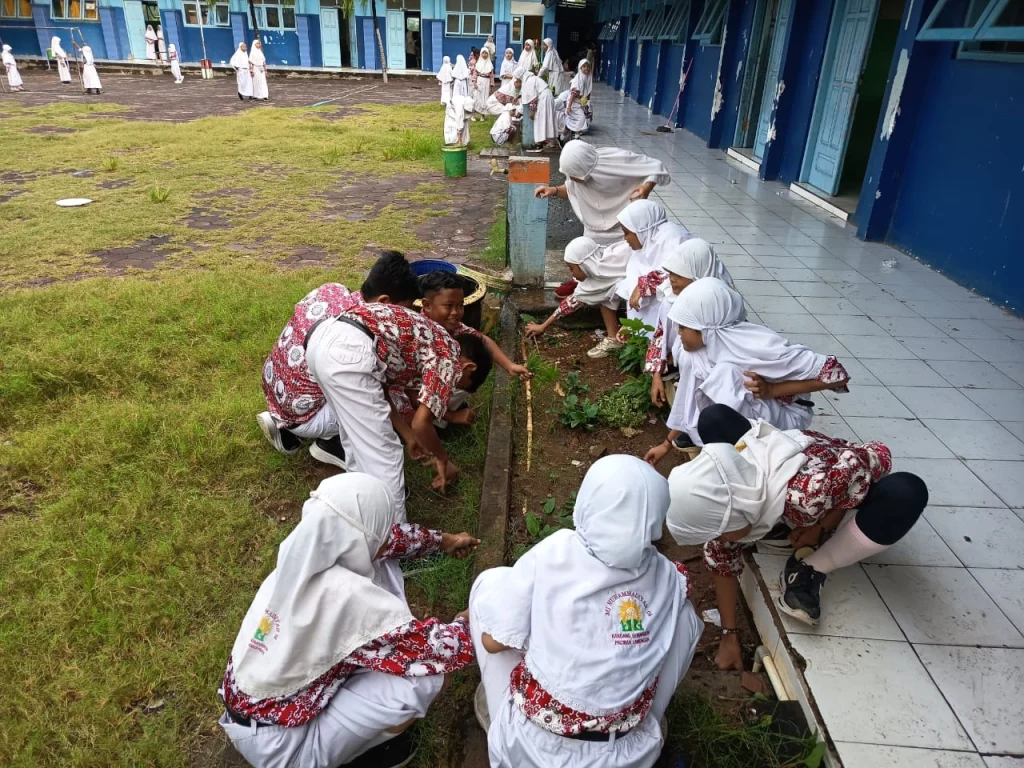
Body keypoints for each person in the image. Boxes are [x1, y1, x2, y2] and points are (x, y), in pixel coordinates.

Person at [219, 472, 480, 768]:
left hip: (255, 711)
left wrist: (444, 541)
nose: (386, 541)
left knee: (378, 561)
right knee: (422, 681)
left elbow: (386, 540)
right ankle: (359, 754)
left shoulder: (301, 554)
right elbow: (438, 650)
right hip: (284, 748)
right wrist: (470, 619)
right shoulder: (345, 596)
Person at [469, 455, 704, 768]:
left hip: (531, 752)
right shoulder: (668, 575)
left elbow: (491, 643)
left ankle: (497, 709)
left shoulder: (555, 552)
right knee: (685, 616)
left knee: (490, 582)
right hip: (627, 756)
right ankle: (650, 720)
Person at [666, 405, 928, 670]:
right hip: (780, 468)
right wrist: (729, 635)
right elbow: (722, 561)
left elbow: (879, 455)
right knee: (714, 417)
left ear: (735, 514)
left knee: (907, 492)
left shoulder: (807, 497)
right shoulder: (735, 482)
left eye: (720, 531)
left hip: (828, 467)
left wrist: (823, 526)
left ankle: (812, 568)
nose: (719, 538)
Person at [304, 301, 493, 518]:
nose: (449, 390)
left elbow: (379, 388)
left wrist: (408, 435)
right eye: (460, 385)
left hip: (323, 340)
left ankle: (360, 509)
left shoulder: (432, 339)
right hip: (349, 351)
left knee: (355, 442)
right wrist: (442, 457)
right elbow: (422, 422)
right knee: (387, 454)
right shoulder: (448, 359)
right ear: (469, 367)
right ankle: (394, 538)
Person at [644, 277, 850, 457]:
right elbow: (687, 400)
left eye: (683, 327)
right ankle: (723, 445)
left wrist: (773, 390)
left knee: (726, 375)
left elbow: (836, 374)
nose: (678, 333)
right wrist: (665, 445)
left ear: (705, 329)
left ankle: (740, 451)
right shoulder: (698, 352)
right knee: (723, 379)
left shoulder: (757, 345)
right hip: (751, 413)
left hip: (785, 414)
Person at [257, 252, 422, 467]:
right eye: (404, 310)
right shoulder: (360, 337)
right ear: (384, 302)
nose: (405, 318)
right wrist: (412, 431)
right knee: (396, 402)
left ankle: (283, 424)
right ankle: (334, 444)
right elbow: (379, 395)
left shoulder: (333, 289)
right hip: (304, 415)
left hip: (275, 387)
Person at [645, 239, 739, 408]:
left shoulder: (722, 301)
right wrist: (656, 375)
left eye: (679, 275)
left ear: (699, 273)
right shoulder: (670, 302)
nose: (671, 279)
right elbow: (660, 337)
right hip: (685, 362)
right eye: (671, 273)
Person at [535, 141, 670, 246]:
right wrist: (554, 190)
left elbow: (656, 167)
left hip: (622, 232)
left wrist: (646, 187)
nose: (572, 179)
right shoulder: (576, 173)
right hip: (593, 234)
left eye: (575, 176)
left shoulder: (617, 160)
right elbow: (571, 190)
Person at [419, 271, 531, 396]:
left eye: (460, 305)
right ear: (427, 305)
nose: (456, 312)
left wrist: (509, 366)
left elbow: (484, 340)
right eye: (448, 306)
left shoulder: (454, 327)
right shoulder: (420, 332)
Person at [523, 237, 631, 359]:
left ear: (585, 265)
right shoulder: (598, 276)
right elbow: (570, 304)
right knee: (605, 297)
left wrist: (630, 325)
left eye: (572, 268)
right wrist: (543, 326)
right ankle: (613, 338)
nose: (571, 273)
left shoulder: (624, 264)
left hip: (647, 301)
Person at [614, 199, 692, 341]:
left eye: (627, 233)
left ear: (641, 228)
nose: (625, 238)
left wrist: (645, 284)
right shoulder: (644, 247)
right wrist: (631, 325)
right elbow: (635, 293)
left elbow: (682, 278)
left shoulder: (673, 239)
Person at [555, 59, 594, 142]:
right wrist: (569, 107)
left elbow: (587, 94)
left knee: (572, 121)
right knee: (581, 119)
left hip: (579, 103)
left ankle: (561, 138)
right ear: (580, 68)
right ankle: (576, 138)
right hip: (573, 104)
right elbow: (573, 94)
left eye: (588, 67)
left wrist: (587, 105)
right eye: (584, 67)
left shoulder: (587, 78)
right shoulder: (578, 79)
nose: (586, 69)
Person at [518, 72, 558, 150]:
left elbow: (533, 97)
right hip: (548, 96)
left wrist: (532, 111)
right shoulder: (534, 78)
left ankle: (538, 144)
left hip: (543, 99)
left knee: (539, 120)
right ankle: (551, 142)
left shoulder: (529, 81)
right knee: (549, 119)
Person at [472, 48, 493, 118]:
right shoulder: (478, 64)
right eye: (483, 53)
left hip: (486, 82)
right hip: (479, 81)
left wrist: (491, 85)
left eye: (486, 53)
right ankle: (473, 115)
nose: (484, 55)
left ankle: (482, 115)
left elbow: (491, 76)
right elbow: (475, 74)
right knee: (477, 97)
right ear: (481, 54)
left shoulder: (490, 64)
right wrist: (474, 82)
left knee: (485, 98)